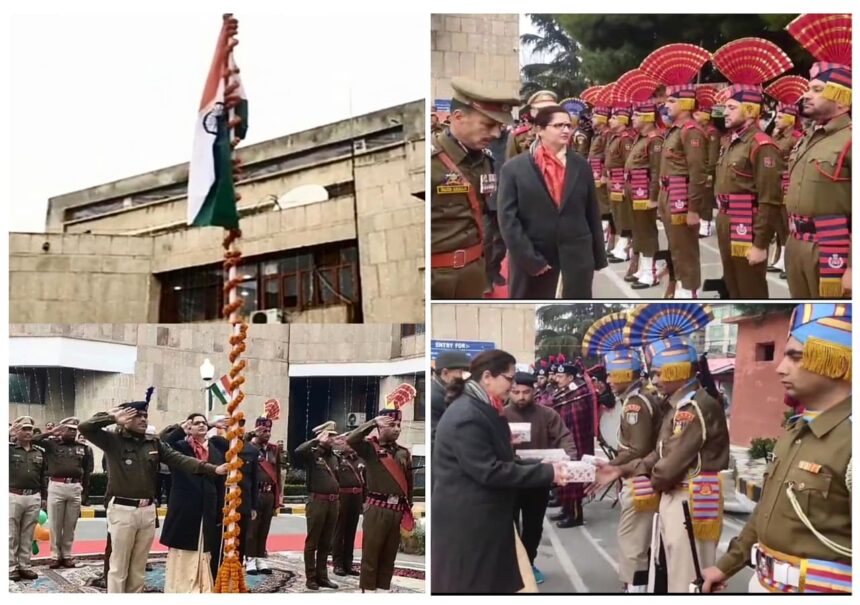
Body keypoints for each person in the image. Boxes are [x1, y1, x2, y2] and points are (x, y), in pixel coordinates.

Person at [701, 303, 851, 594]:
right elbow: (765, 511)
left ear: (834, 357)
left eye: (795, 357)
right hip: (764, 583)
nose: (781, 368)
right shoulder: (796, 431)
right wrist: (726, 565)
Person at [593, 303, 729, 593]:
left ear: (676, 369)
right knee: (673, 569)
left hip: (689, 496)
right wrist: (622, 470)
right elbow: (659, 451)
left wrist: (643, 478)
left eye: (658, 372)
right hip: (676, 493)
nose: (653, 379)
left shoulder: (692, 408)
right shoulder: (678, 405)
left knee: (688, 577)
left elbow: (668, 464)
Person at [78, 399, 228, 593]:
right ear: (125, 419)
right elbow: (85, 427)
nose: (143, 419)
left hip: (148, 510)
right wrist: (111, 417)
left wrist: (214, 469)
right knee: (118, 566)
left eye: (145, 416)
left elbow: (181, 460)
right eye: (137, 416)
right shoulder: (112, 440)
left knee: (138, 567)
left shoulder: (153, 442)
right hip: (123, 509)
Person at [582, 312, 668, 592]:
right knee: (640, 540)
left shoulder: (634, 404)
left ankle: (635, 589)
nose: (607, 380)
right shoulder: (641, 397)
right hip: (644, 476)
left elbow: (636, 449)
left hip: (640, 479)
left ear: (623, 373)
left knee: (632, 542)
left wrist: (612, 466)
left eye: (611, 374)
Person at [498, 104, 608, 299]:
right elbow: (508, 220)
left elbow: (591, 211)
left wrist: (597, 256)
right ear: (540, 130)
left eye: (568, 125)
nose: (565, 130)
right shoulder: (514, 169)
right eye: (558, 126)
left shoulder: (581, 165)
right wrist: (529, 259)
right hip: (534, 258)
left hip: (576, 257)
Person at [711, 38, 789, 299]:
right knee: (732, 284)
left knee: (750, 287)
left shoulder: (761, 145)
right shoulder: (731, 142)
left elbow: (769, 199)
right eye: (726, 107)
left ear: (750, 109)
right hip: (726, 219)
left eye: (732, 108)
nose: (725, 113)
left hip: (747, 221)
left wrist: (760, 243)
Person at [431, 77, 519, 299]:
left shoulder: (484, 160)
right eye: (488, 125)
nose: (496, 134)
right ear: (458, 117)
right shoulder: (430, 161)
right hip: (437, 278)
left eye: (499, 127)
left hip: (474, 273)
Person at [784, 13, 851, 299]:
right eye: (808, 89)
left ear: (841, 99)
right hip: (796, 242)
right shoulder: (810, 136)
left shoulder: (850, 139)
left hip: (832, 249)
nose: (806, 95)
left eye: (817, 90)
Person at [641, 43, 711, 298]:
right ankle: (680, 283)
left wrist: (694, 209)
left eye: (672, 100)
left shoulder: (691, 132)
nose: (666, 105)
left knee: (685, 248)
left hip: (682, 198)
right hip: (668, 195)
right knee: (674, 245)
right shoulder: (674, 131)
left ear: (686, 103)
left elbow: (697, 173)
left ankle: (689, 290)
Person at [505, 372, 577, 584]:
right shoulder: (500, 415)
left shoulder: (547, 414)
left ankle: (529, 562)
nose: (521, 397)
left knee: (534, 526)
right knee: (509, 527)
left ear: (534, 391)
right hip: (510, 479)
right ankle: (512, 566)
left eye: (526, 392)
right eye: (516, 392)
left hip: (538, 480)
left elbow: (565, 437)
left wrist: (568, 459)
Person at [347, 406, 413, 592]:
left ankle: (383, 589)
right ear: (381, 427)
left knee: (389, 555)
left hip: (396, 510)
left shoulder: (403, 452)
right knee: (371, 553)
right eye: (392, 425)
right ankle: (369, 591)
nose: (397, 429)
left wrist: (408, 507)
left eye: (399, 425)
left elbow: (408, 482)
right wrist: (372, 422)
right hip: (377, 509)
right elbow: (351, 439)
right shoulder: (370, 448)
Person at [159, 414, 227, 593]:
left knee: (207, 547)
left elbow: (221, 480)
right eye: (196, 423)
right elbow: (162, 442)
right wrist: (182, 429)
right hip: (185, 505)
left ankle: (205, 586)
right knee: (185, 548)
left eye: (204, 423)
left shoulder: (216, 448)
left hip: (209, 505)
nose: (202, 425)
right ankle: (182, 587)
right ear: (188, 427)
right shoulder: (180, 446)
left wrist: (221, 508)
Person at [34, 417, 93, 569]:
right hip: (57, 485)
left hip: (75, 487)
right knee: (55, 523)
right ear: (62, 430)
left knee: (70, 524)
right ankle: (55, 555)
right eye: (69, 429)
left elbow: (87, 472)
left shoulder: (83, 448)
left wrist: (85, 493)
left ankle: (66, 555)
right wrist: (51, 433)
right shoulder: (51, 444)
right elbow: (33, 440)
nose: (73, 432)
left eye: (75, 430)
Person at [763, 75, 807, 278]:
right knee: (779, 226)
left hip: (787, 185)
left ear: (790, 119)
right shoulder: (777, 136)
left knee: (788, 226)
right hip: (775, 185)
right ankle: (780, 258)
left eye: (781, 117)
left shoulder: (796, 137)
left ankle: (788, 262)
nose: (777, 119)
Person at [623, 84, 664, 290]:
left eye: (637, 115)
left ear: (648, 117)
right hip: (634, 190)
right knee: (638, 230)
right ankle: (643, 267)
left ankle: (651, 272)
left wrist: (653, 197)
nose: (633, 118)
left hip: (645, 192)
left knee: (646, 231)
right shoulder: (640, 138)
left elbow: (657, 171)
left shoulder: (655, 140)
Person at [548, 362, 596, 527]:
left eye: (561, 376)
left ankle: (576, 515)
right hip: (567, 440)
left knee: (574, 477)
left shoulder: (578, 393)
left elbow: (576, 421)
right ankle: (566, 509)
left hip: (577, 441)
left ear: (570, 377)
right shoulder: (566, 392)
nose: (557, 379)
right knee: (565, 475)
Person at [295, 421, 341, 590]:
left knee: (326, 542)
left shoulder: (334, 457)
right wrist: (316, 441)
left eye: (333, 436)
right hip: (317, 502)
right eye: (330, 436)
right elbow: (298, 451)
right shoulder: (312, 454)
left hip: (333, 503)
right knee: (312, 542)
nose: (333, 439)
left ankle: (323, 576)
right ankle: (311, 577)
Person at [8, 416, 46, 581]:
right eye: (24, 429)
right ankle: (11, 567)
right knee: (11, 533)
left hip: (33, 496)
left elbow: (43, 476)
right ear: (17, 431)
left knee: (28, 533)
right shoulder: (9, 449)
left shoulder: (39, 452)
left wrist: (43, 496)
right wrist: (8, 432)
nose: (28, 432)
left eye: (30, 429)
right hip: (13, 495)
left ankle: (25, 566)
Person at [245, 416, 282, 575]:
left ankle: (260, 557)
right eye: (263, 430)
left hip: (269, 494)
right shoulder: (248, 447)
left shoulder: (273, 450)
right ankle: (250, 558)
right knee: (251, 529)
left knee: (264, 528)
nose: (267, 433)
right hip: (254, 493)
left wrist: (279, 495)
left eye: (269, 430)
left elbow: (277, 473)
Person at [604, 99, 637, 273]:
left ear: (623, 120)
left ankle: (625, 245)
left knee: (624, 214)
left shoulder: (626, 139)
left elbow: (627, 163)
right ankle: (621, 243)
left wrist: (624, 184)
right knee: (617, 212)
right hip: (613, 181)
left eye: (614, 118)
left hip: (621, 182)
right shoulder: (615, 137)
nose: (610, 120)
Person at [583, 86, 616, 252]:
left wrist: (603, 174)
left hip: (601, 174)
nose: (592, 118)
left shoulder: (607, 134)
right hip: (594, 173)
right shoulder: (598, 134)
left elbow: (608, 155)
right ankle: (603, 235)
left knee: (605, 206)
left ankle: (609, 236)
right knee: (600, 205)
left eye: (595, 115)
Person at [332, 439, 364, 577]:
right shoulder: (337, 459)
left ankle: (348, 564)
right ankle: (338, 564)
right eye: (347, 443)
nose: (350, 446)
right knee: (339, 531)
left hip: (357, 497)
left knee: (351, 531)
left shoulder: (360, 459)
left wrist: (365, 500)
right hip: (342, 496)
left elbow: (365, 481)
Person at [693, 86, 721, 239]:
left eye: (698, 113)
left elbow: (712, 155)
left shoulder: (712, 132)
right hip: (699, 169)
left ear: (706, 116)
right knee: (699, 196)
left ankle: (706, 226)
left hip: (707, 171)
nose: (694, 116)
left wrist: (709, 172)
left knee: (706, 198)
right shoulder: (699, 130)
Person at [430, 351, 471, 448]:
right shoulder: (434, 398)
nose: (465, 378)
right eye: (461, 372)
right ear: (445, 373)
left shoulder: (453, 392)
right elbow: (435, 437)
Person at [506, 90, 558, 159]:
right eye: (541, 110)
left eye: (551, 110)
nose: (547, 114)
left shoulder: (563, 133)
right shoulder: (518, 136)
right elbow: (511, 163)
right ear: (533, 112)